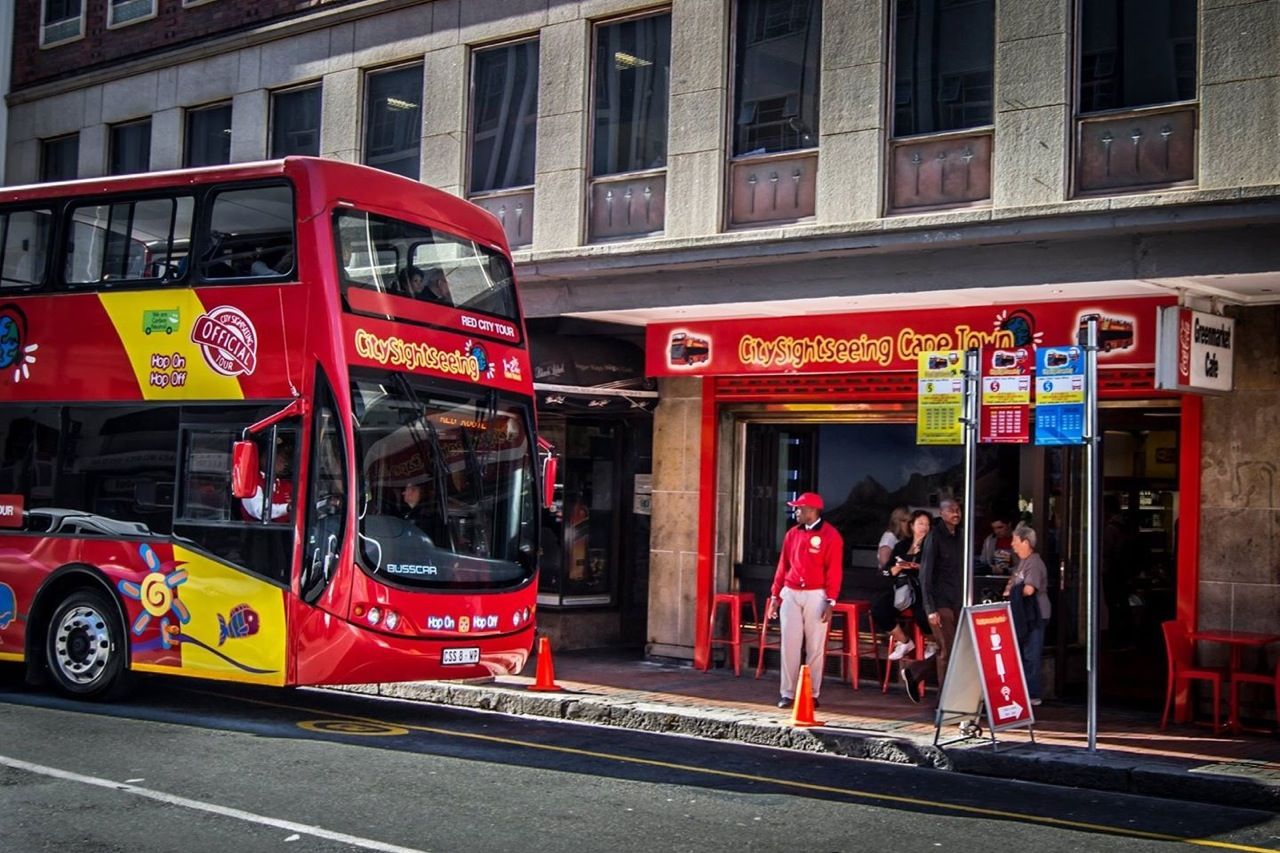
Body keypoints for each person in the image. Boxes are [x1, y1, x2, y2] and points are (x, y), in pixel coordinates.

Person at [767, 492, 843, 709]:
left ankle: (811, 693)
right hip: (791, 592)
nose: (796, 511)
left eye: (799, 508)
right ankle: (788, 693)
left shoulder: (831, 536)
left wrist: (831, 601)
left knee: (815, 646)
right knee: (789, 644)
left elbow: (834, 571)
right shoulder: (792, 534)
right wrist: (775, 595)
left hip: (816, 594)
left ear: (812, 510)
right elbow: (783, 566)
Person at [902, 498, 963, 703]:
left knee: (952, 648)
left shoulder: (960, 535)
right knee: (948, 649)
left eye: (958, 510)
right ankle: (944, 701)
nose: (956, 513)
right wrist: (930, 608)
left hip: (957, 600)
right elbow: (925, 575)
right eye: (951, 510)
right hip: (939, 602)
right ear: (942, 513)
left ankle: (915, 671)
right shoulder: (934, 537)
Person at [871, 509, 933, 661]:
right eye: (920, 523)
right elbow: (886, 571)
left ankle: (932, 642)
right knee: (879, 608)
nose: (924, 527)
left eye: (927, 524)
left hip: (922, 587)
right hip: (901, 586)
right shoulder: (901, 545)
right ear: (912, 525)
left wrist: (919, 567)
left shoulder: (932, 545)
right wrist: (898, 567)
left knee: (922, 612)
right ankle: (905, 641)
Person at [1004, 523, 1050, 706]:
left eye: (1015, 541)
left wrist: (1013, 591)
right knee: (1023, 653)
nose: (1012, 545)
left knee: (1031, 654)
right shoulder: (1022, 563)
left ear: (1025, 542)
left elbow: (1029, 589)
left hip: (1036, 614)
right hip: (1024, 614)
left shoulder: (1034, 562)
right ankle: (1023, 690)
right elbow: (1011, 583)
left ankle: (1033, 694)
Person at [240, 439, 293, 523]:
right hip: (259, 533)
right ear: (265, 458)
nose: (284, 461)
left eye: (285, 457)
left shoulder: (286, 484)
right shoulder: (253, 482)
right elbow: (259, 510)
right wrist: (287, 508)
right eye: (279, 456)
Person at [401, 478, 447, 544]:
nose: (403, 493)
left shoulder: (425, 516)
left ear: (416, 491)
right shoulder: (417, 513)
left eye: (406, 489)